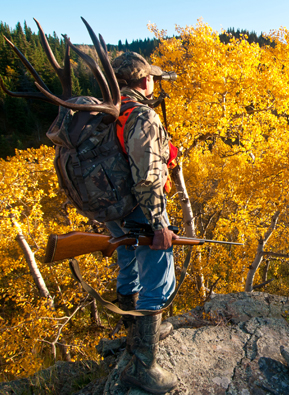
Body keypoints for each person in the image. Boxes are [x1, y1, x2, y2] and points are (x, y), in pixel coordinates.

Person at [106, 51, 179, 394]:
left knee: (128, 266)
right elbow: (148, 177)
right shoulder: (142, 115)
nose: (155, 84)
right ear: (145, 80)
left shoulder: (108, 109)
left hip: (114, 209)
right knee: (158, 280)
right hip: (140, 208)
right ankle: (142, 366)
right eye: (153, 78)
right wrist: (158, 224)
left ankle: (133, 337)